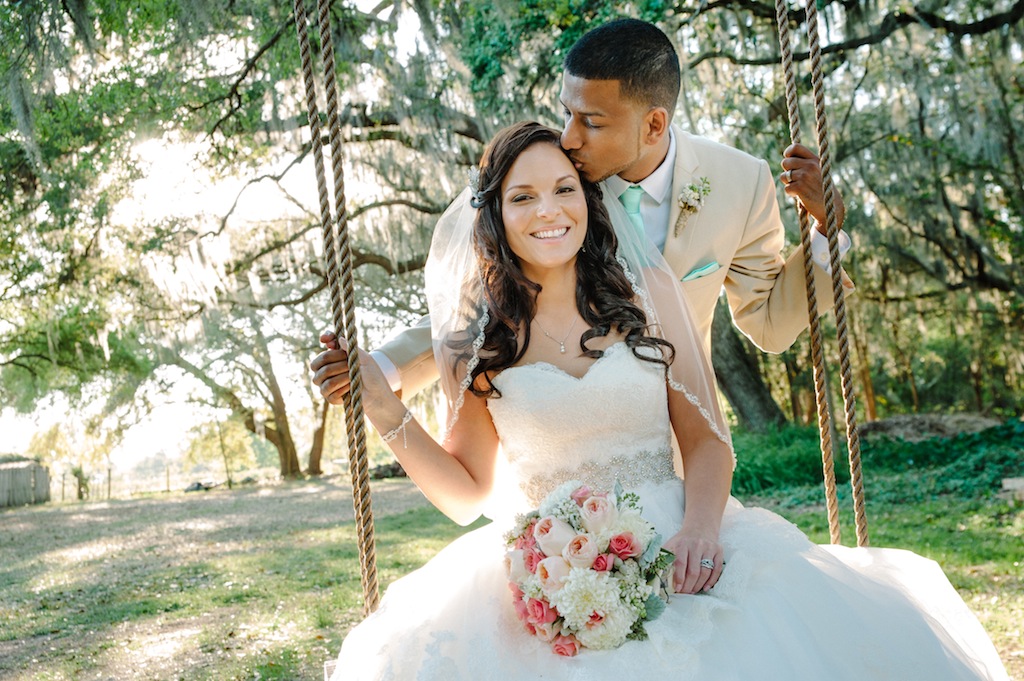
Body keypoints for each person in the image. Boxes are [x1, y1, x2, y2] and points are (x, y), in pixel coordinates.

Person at [311, 121, 1008, 680]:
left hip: (679, 535)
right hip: (546, 568)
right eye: (523, 197)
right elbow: (467, 494)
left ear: (589, 199)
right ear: (494, 213)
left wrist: (701, 529)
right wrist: (387, 414)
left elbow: (707, 442)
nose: (549, 210)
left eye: (563, 189)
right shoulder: (485, 340)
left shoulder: (644, 300)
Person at [333, 17, 854, 401]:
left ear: (653, 125)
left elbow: (769, 326)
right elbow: (485, 309)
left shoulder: (742, 181)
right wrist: (381, 369)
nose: (568, 137)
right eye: (567, 114)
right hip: (571, 430)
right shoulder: (552, 183)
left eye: (592, 122)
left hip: (687, 444)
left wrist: (827, 231)